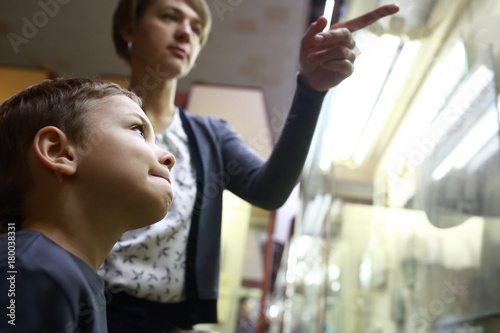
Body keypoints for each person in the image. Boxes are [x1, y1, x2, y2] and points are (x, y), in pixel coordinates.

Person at [100, 0, 400, 332]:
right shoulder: (93, 119)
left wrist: (311, 91)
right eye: (170, 16)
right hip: (89, 311)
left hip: (171, 322)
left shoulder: (210, 136)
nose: (186, 32)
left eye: (197, 28)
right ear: (129, 28)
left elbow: (270, 192)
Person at [0, 78, 175, 332]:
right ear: (59, 152)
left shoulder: (48, 270)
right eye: (138, 130)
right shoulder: (30, 270)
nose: (169, 157)